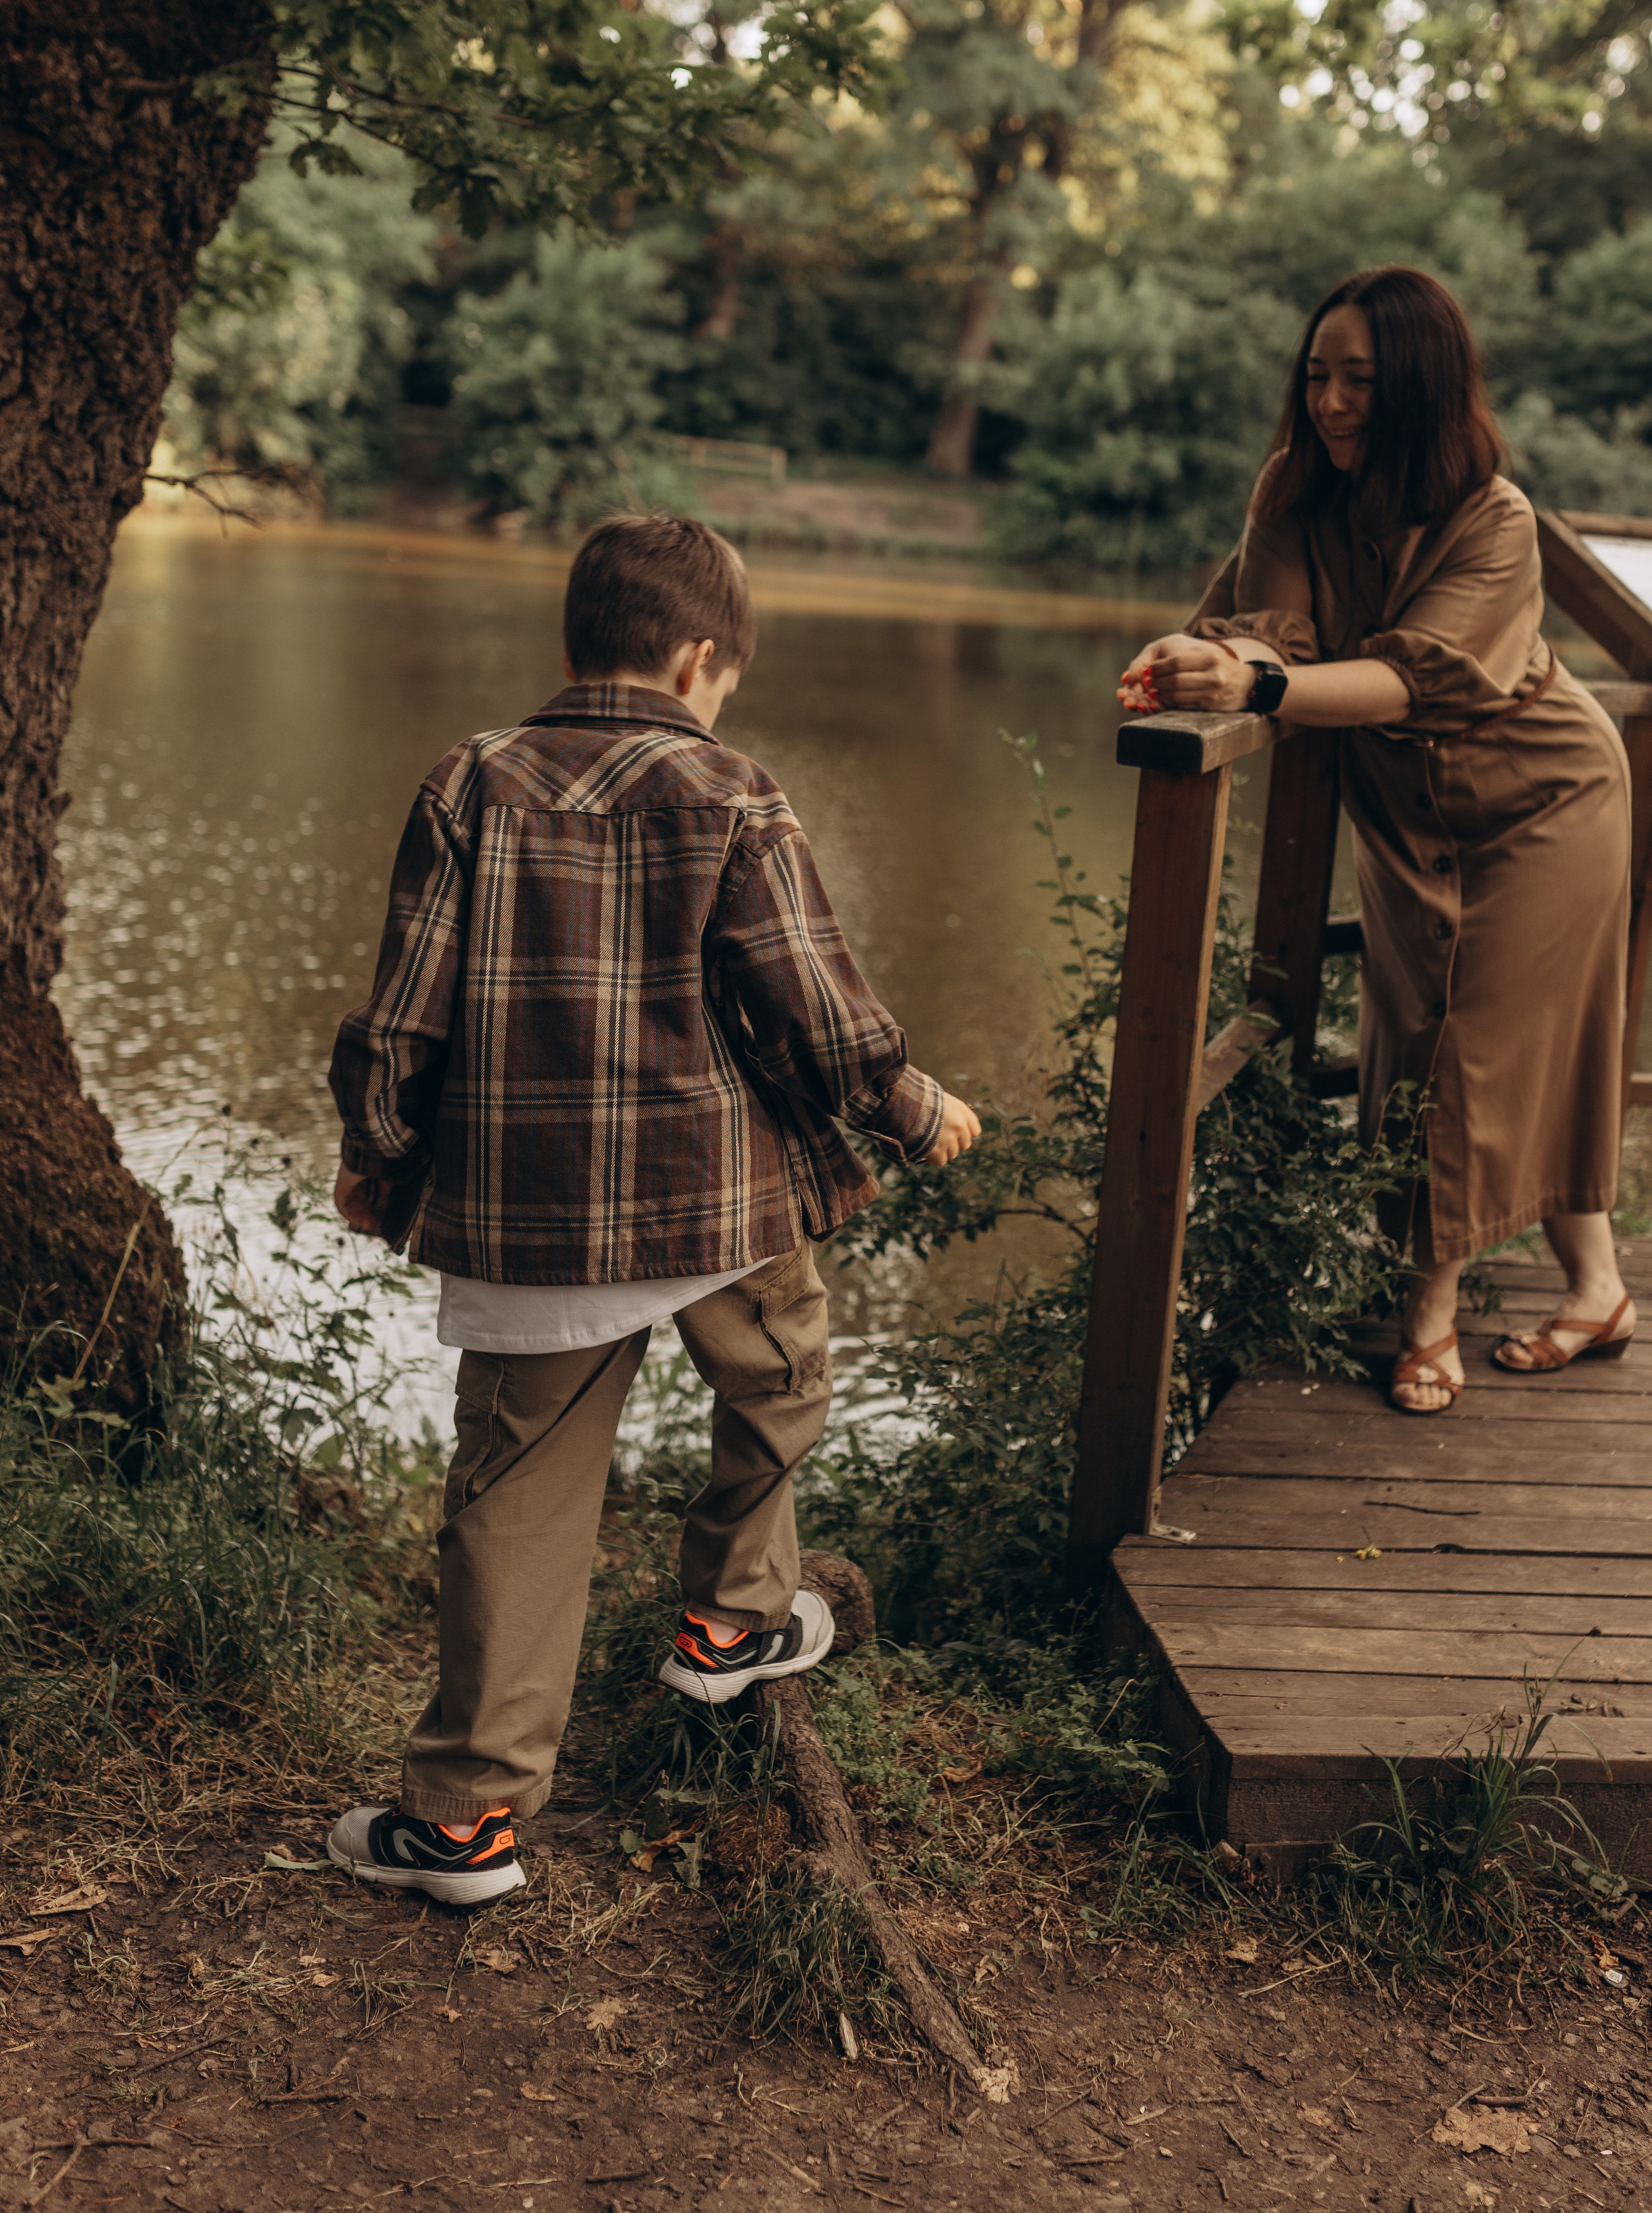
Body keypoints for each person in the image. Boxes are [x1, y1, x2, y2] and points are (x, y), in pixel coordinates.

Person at [323, 514, 980, 1903]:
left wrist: (378, 1152)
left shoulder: (469, 781)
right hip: (711, 1206)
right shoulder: (731, 790)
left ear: (571, 644)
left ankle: (463, 1824)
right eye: (724, 680)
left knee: (513, 1499)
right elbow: (811, 999)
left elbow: (401, 1014)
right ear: (696, 662)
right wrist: (909, 1103)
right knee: (784, 1377)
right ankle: (733, 1619)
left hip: (526, 1223)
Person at [1119, 266, 1634, 1417]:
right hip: (1408, 820)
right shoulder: (1292, 495)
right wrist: (1188, 655)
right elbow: (1260, 635)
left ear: (1422, 389)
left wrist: (1255, 678)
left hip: (1547, 798)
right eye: (1317, 377)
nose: (1332, 403)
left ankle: (1430, 1313)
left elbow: (1406, 677)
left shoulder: (1492, 517)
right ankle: (1598, 1286)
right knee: (1430, 1034)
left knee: (1485, 1039)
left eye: (1361, 380)